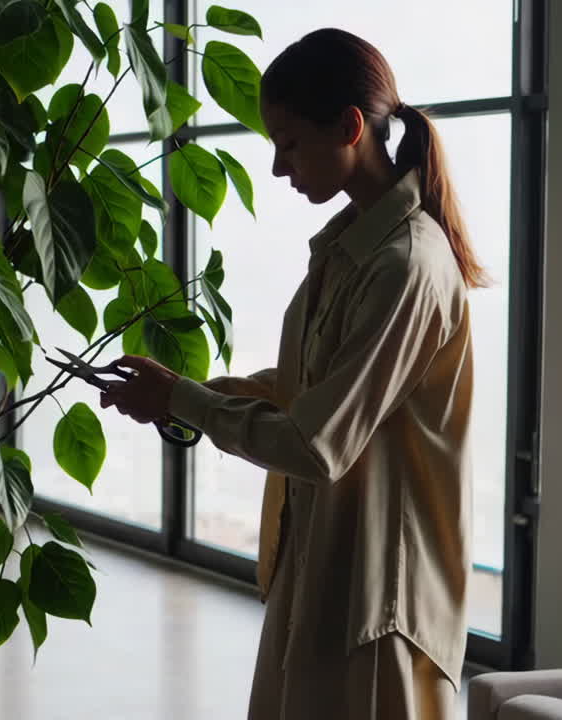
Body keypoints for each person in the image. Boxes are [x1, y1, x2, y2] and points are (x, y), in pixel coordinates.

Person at [100, 27, 485, 720]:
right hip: (323, 573)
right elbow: (307, 385)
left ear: (349, 126)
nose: (280, 169)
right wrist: (179, 396)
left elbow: (316, 443)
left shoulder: (407, 266)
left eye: (289, 143)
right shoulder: (350, 249)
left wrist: (185, 400)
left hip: (377, 603)